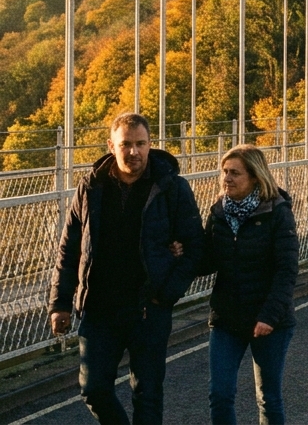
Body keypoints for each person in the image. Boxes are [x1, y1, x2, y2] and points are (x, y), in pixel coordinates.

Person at [48, 112, 204, 425]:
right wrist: (60, 304)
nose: (133, 151)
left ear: (150, 145)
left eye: (140, 144)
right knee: (93, 389)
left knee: (147, 393)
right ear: (111, 145)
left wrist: (168, 293)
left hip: (148, 308)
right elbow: (70, 249)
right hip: (99, 308)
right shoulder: (91, 187)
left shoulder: (171, 188)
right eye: (126, 144)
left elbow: (195, 249)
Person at [201, 145, 299, 425]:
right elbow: (208, 261)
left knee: (268, 397)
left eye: (234, 173)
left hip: (268, 321)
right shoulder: (219, 211)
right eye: (224, 172)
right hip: (227, 317)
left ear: (255, 177)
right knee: (219, 394)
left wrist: (268, 316)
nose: (226, 179)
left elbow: (287, 269)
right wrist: (180, 251)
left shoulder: (277, 212)